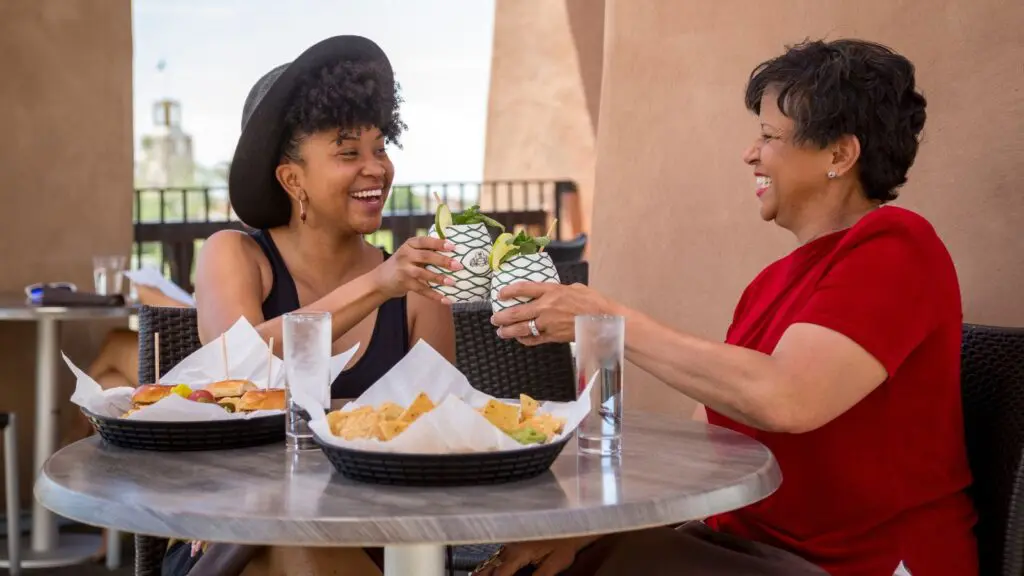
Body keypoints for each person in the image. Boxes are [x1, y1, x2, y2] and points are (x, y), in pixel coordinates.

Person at [483, 39, 978, 576]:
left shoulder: (897, 246)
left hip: (856, 565)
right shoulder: (771, 284)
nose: (751, 153)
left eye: (769, 137)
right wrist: (588, 536)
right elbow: (710, 449)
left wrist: (606, 319)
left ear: (839, 154)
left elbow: (786, 399)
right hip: (740, 550)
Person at [185, 35, 460, 576]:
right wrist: (377, 286)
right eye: (347, 151)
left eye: (380, 148)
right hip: (244, 524)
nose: (375, 168)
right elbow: (230, 369)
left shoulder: (414, 289)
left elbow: (441, 437)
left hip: (388, 535)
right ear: (292, 179)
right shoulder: (235, 256)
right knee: (292, 544)